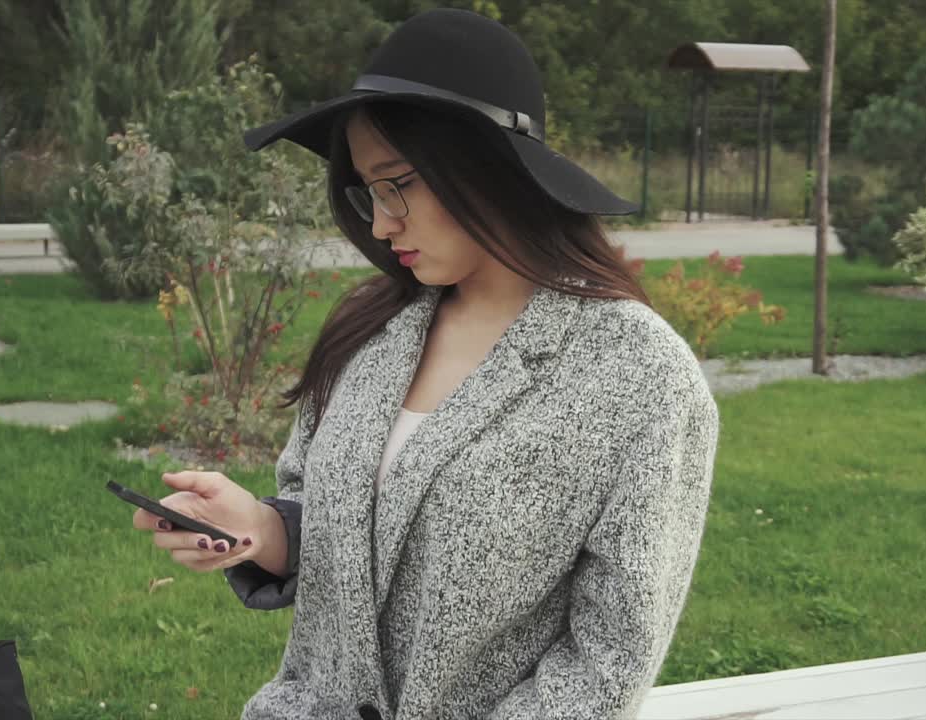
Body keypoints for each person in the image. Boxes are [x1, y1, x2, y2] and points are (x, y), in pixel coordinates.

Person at [130, 8, 720, 720]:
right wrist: (258, 527)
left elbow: (607, 662)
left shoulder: (636, 374)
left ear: (480, 166)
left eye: (395, 185)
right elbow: (333, 532)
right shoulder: (373, 329)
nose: (380, 224)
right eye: (368, 193)